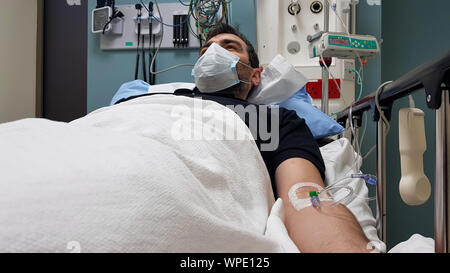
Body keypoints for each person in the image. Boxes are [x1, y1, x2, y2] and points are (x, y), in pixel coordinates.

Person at [117, 24, 373, 253]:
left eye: (230, 47)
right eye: (205, 51)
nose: (214, 53)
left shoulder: (276, 121)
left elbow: (304, 195)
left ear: (255, 75)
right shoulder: (150, 103)